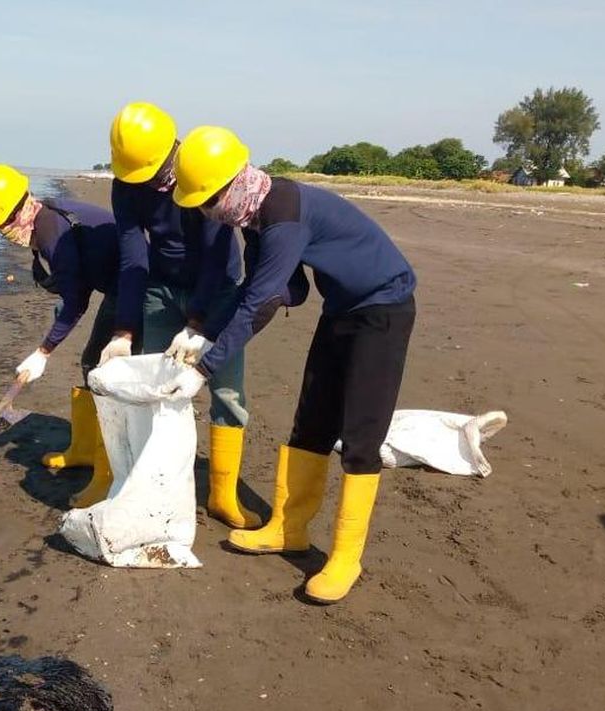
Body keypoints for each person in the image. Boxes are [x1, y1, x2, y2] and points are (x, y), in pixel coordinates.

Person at [163, 126, 417, 604]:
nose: (204, 211)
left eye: (206, 200)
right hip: (341, 308)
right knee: (311, 423)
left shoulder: (282, 216)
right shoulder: (256, 213)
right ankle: (289, 527)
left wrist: (203, 370)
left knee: (361, 438)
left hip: (384, 309)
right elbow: (285, 290)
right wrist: (201, 331)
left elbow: (260, 303)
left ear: (232, 183)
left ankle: (345, 557)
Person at [104, 101, 260, 530]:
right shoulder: (126, 184)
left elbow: (215, 257)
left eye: (155, 174)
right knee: (158, 389)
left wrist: (197, 325)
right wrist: (123, 329)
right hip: (160, 285)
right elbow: (133, 257)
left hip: (219, 286)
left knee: (225, 390)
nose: (151, 184)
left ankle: (223, 495)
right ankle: (161, 482)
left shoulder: (200, 170)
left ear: (172, 150)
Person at [0, 164, 123, 507]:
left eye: (3, 225)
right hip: (116, 287)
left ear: (20, 208)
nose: (3, 233)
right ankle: (84, 449)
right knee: (91, 361)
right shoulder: (44, 218)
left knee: (112, 378)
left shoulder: (53, 231)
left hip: (136, 289)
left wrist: (44, 351)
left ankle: (108, 472)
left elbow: (76, 302)